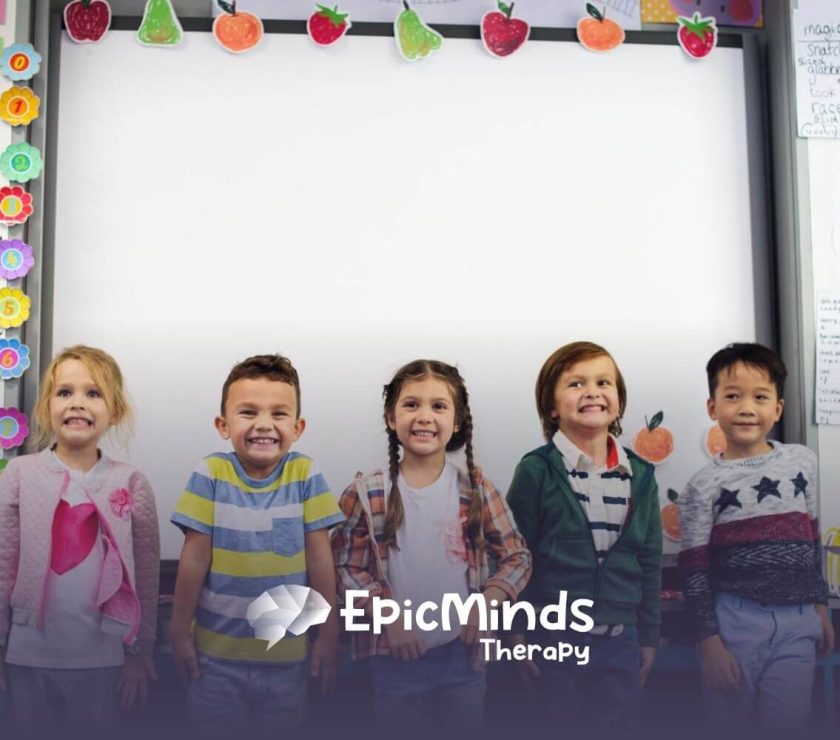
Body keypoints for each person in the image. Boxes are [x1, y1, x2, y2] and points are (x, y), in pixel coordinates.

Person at [331, 359, 531, 733]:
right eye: (411, 405)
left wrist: (488, 603)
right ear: (391, 418)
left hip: (464, 658)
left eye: (438, 406)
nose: (424, 416)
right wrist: (387, 616)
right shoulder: (366, 492)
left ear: (456, 423)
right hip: (395, 660)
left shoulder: (477, 490)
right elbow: (344, 569)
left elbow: (517, 557)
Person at [170, 354, 343, 734]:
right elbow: (194, 558)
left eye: (279, 415)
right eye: (248, 412)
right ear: (223, 424)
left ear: (297, 427)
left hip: (288, 661)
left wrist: (329, 634)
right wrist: (178, 632)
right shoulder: (210, 473)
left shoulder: (305, 474)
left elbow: (320, 560)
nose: (264, 425)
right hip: (215, 660)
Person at [0, 345, 160, 736]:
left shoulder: (130, 481)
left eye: (93, 393)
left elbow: (147, 572)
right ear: (45, 407)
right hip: (27, 654)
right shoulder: (20, 474)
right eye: (65, 392)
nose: (78, 403)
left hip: (102, 658)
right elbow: (3, 563)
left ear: (115, 410)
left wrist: (140, 653)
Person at [679, 342, 835, 729]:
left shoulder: (803, 461)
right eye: (732, 396)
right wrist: (710, 644)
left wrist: (820, 609)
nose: (747, 407)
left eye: (760, 396)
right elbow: (694, 569)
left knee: (787, 726)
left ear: (777, 409)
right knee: (726, 726)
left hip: (799, 622)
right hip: (735, 622)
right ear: (713, 407)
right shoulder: (702, 486)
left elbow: (809, 537)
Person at [506, 341, 661, 728]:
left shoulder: (640, 475)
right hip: (553, 638)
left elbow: (649, 561)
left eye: (603, 382)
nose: (592, 391)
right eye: (576, 384)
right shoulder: (536, 471)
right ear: (552, 406)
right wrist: (514, 633)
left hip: (620, 639)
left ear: (619, 402)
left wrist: (649, 636)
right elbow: (514, 556)